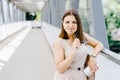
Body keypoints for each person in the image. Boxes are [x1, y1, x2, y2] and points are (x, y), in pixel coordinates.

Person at [52, 9, 103, 80]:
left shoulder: (83, 36)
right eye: (67, 22)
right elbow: (60, 69)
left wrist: (93, 57)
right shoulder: (59, 42)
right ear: (63, 24)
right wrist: (73, 52)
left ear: (78, 24)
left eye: (74, 22)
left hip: (81, 76)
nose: (70, 25)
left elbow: (99, 44)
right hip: (65, 77)